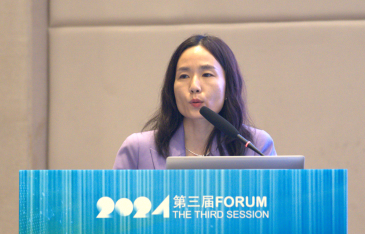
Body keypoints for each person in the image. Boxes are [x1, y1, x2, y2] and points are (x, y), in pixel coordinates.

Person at [113, 34, 276, 169]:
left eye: (207, 74)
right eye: (184, 76)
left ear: (228, 86)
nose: (194, 87)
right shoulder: (138, 149)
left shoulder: (256, 146)